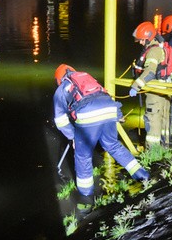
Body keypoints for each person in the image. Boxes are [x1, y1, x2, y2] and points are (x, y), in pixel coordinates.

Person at [53, 64, 149, 198]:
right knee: (113, 145)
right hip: (110, 110)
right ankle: (142, 175)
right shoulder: (87, 78)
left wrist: (73, 136)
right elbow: (104, 94)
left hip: (88, 114)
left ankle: (86, 194)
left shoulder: (62, 88)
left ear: (59, 79)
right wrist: (117, 115)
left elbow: (60, 120)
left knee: (83, 155)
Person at [130, 21, 172, 148]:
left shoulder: (153, 51)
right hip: (165, 89)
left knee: (152, 120)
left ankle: (152, 152)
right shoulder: (160, 47)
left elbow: (150, 72)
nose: (140, 43)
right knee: (164, 120)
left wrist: (136, 86)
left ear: (148, 38)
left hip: (155, 92)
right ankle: (165, 147)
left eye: (142, 40)